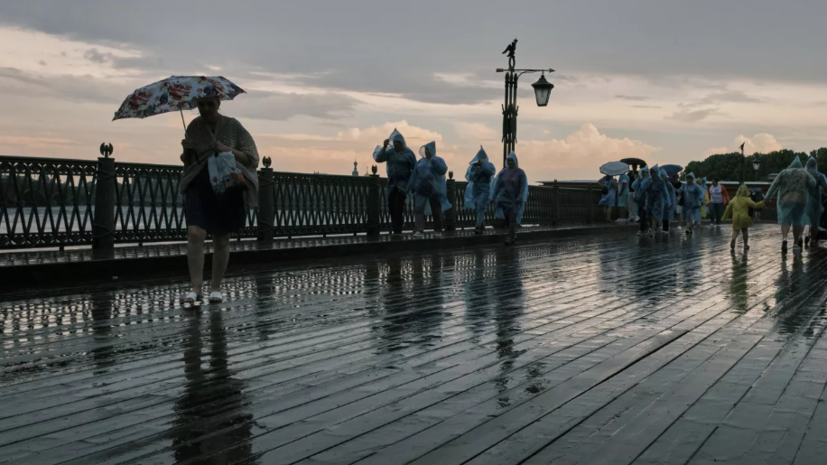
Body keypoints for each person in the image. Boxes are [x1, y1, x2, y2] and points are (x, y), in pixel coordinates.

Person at [180, 95, 259, 305]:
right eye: (201, 105)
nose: (205, 109)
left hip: (226, 184)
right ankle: (195, 287)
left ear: (218, 104)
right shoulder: (194, 127)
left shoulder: (233, 126)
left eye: (210, 104)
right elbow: (189, 162)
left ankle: (216, 287)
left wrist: (228, 149)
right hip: (199, 183)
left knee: (221, 238)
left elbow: (253, 158)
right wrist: (187, 151)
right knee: (195, 233)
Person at [765, 156, 816, 253]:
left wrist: (767, 197)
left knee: (786, 219)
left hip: (785, 199)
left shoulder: (783, 172)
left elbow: (774, 185)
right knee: (797, 220)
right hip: (800, 200)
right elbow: (813, 183)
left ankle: (784, 239)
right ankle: (795, 244)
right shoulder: (804, 172)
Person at [373, 129, 417, 235]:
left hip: (403, 185)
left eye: (397, 143)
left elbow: (415, 169)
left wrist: (414, 184)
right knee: (391, 206)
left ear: (402, 143)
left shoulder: (408, 153)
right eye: (394, 143)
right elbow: (378, 159)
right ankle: (395, 226)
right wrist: (384, 147)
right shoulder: (390, 152)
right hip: (391, 184)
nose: (396, 145)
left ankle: (398, 229)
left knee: (398, 206)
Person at [408, 141, 451, 237]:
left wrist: (434, 161)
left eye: (429, 150)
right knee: (418, 209)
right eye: (426, 149)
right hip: (421, 189)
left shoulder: (438, 160)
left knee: (436, 210)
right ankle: (419, 229)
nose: (427, 151)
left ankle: (438, 230)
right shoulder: (420, 162)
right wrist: (411, 186)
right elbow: (414, 175)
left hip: (434, 190)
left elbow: (443, 170)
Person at [491, 151, 528, 246]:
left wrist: (520, 196)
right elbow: (497, 186)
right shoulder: (503, 172)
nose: (510, 162)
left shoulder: (520, 173)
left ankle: (509, 237)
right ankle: (513, 234)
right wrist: (493, 197)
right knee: (507, 219)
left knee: (512, 219)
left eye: (512, 161)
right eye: (509, 160)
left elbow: (523, 186)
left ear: (515, 161)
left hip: (515, 200)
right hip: (504, 199)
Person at [722, 184, 765, 251]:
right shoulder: (746, 200)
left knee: (735, 230)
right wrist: (763, 202)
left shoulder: (734, 199)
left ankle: (733, 239)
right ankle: (745, 245)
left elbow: (728, 209)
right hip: (744, 218)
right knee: (744, 231)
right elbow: (755, 205)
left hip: (736, 218)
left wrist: (724, 217)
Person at [464, 146, 496, 234]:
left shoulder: (489, 165)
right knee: (478, 206)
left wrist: (483, 166)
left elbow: (491, 172)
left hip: (485, 189)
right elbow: (468, 176)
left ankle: (477, 226)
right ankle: (482, 224)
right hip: (476, 189)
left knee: (481, 206)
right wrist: (475, 172)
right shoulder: (474, 166)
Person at [804, 157, 827, 248]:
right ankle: (813, 239)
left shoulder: (804, 175)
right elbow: (825, 187)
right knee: (815, 222)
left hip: (805, 201)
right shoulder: (819, 176)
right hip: (816, 202)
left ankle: (799, 239)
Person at [646, 165, 671, 237]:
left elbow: (665, 192)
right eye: (651, 172)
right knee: (649, 215)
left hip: (658, 200)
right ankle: (653, 227)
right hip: (650, 199)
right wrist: (649, 183)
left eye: (653, 172)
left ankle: (653, 230)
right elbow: (644, 188)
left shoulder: (661, 181)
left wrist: (667, 202)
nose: (652, 174)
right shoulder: (649, 180)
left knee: (655, 214)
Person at [632, 167, 651, 236]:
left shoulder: (649, 179)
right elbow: (633, 186)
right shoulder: (640, 179)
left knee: (643, 215)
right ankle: (646, 227)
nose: (643, 174)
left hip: (647, 200)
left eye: (644, 173)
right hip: (640, 200)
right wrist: (638, 180)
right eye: (642, 173)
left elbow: (644, 187)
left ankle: (641, 229)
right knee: (641, 215)